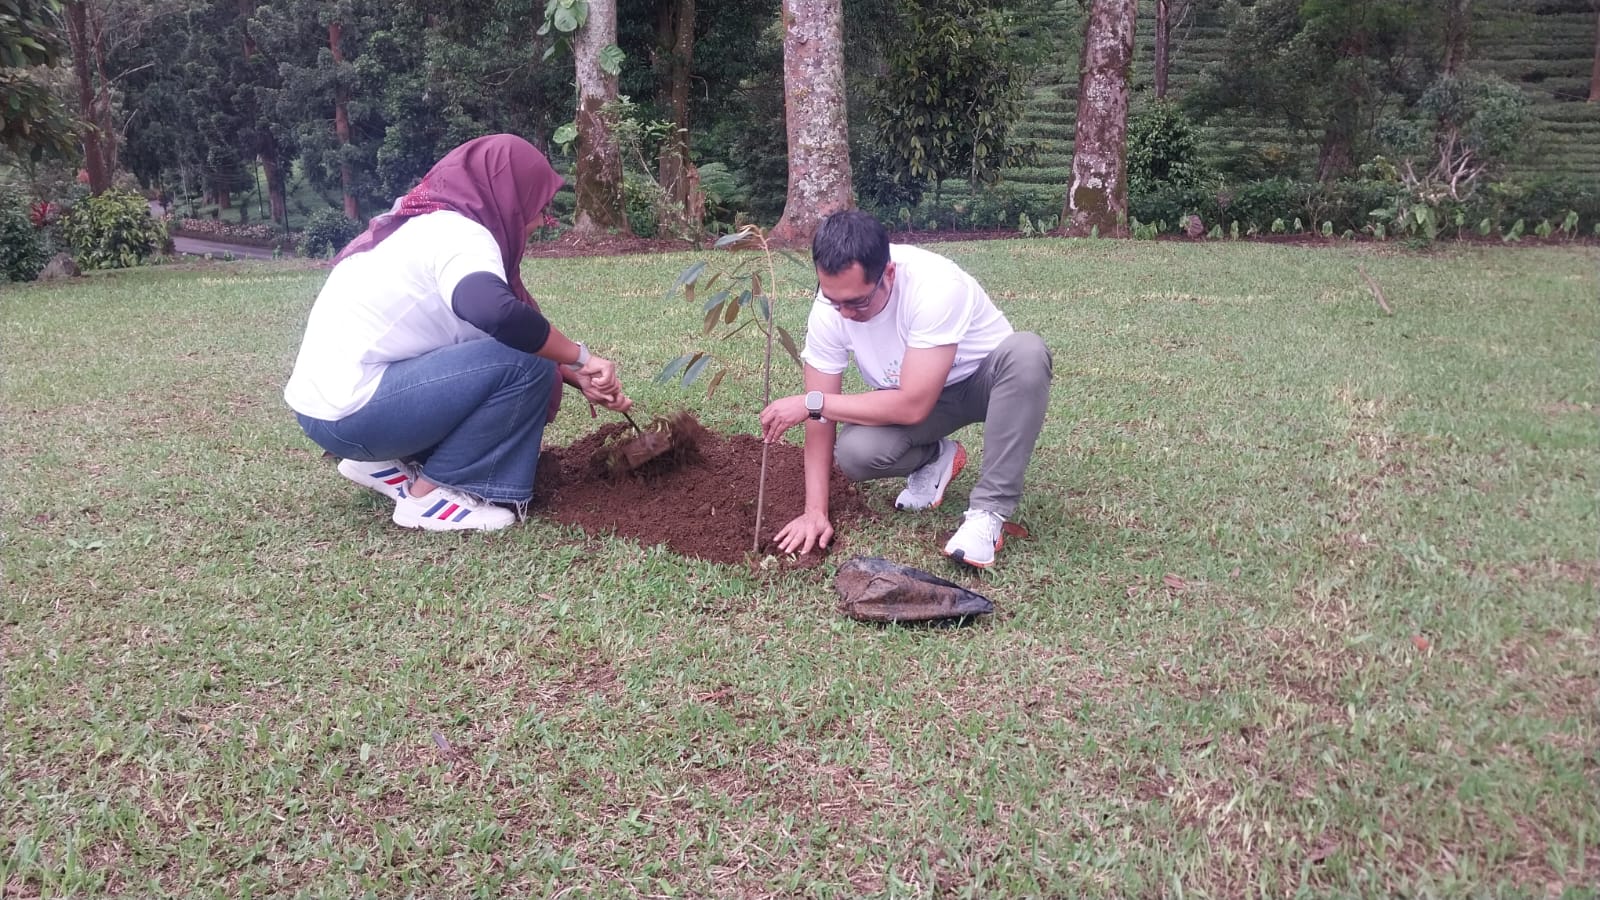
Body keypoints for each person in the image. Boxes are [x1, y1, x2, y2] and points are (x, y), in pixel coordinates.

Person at [284, 134, 632, 532]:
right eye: (538, 208)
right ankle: (433, 495)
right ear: (507, 195)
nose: (539, 221)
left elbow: (486, 332)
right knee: (525, 366)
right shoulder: (462, 236)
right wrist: (581, 357)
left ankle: (378, 461)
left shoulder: (427, 226)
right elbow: (493, 313)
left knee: (520, 355)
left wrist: (576, 375)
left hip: (324, 412)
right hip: (354, 414)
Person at [758, 210, 1052, 568]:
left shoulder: (936, 285)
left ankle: (987, 514)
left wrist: (813, 402)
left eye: (858, 302)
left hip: (984, 384)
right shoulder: (829, 310)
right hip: (914, 400)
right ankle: (937, 458)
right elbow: (819, 420)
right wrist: (814, 512)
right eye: (836, 301)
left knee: (1026, 353)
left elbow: (911, 405)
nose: (845, 314)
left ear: (889, 274)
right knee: (854, 452)